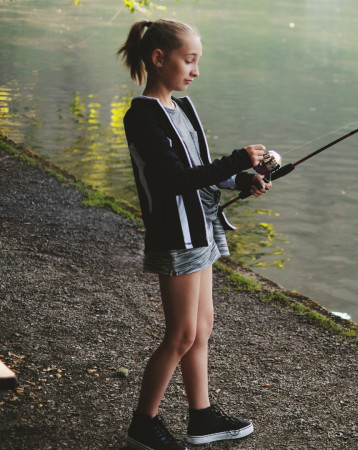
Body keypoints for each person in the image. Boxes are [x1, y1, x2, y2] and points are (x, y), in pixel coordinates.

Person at [117, 18, 269, 450]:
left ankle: (200, 417)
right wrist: (236, 159)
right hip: (176, 235)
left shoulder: (182, 109)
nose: (195, 71)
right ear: (159, 58)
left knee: (201, 331)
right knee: (181, 335)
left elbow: (199, 172)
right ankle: (143, 424)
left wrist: (241, 179)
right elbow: (171, 180)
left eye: (197, 61)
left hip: (201, 229)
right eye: (190, 60)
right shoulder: (142, 116)